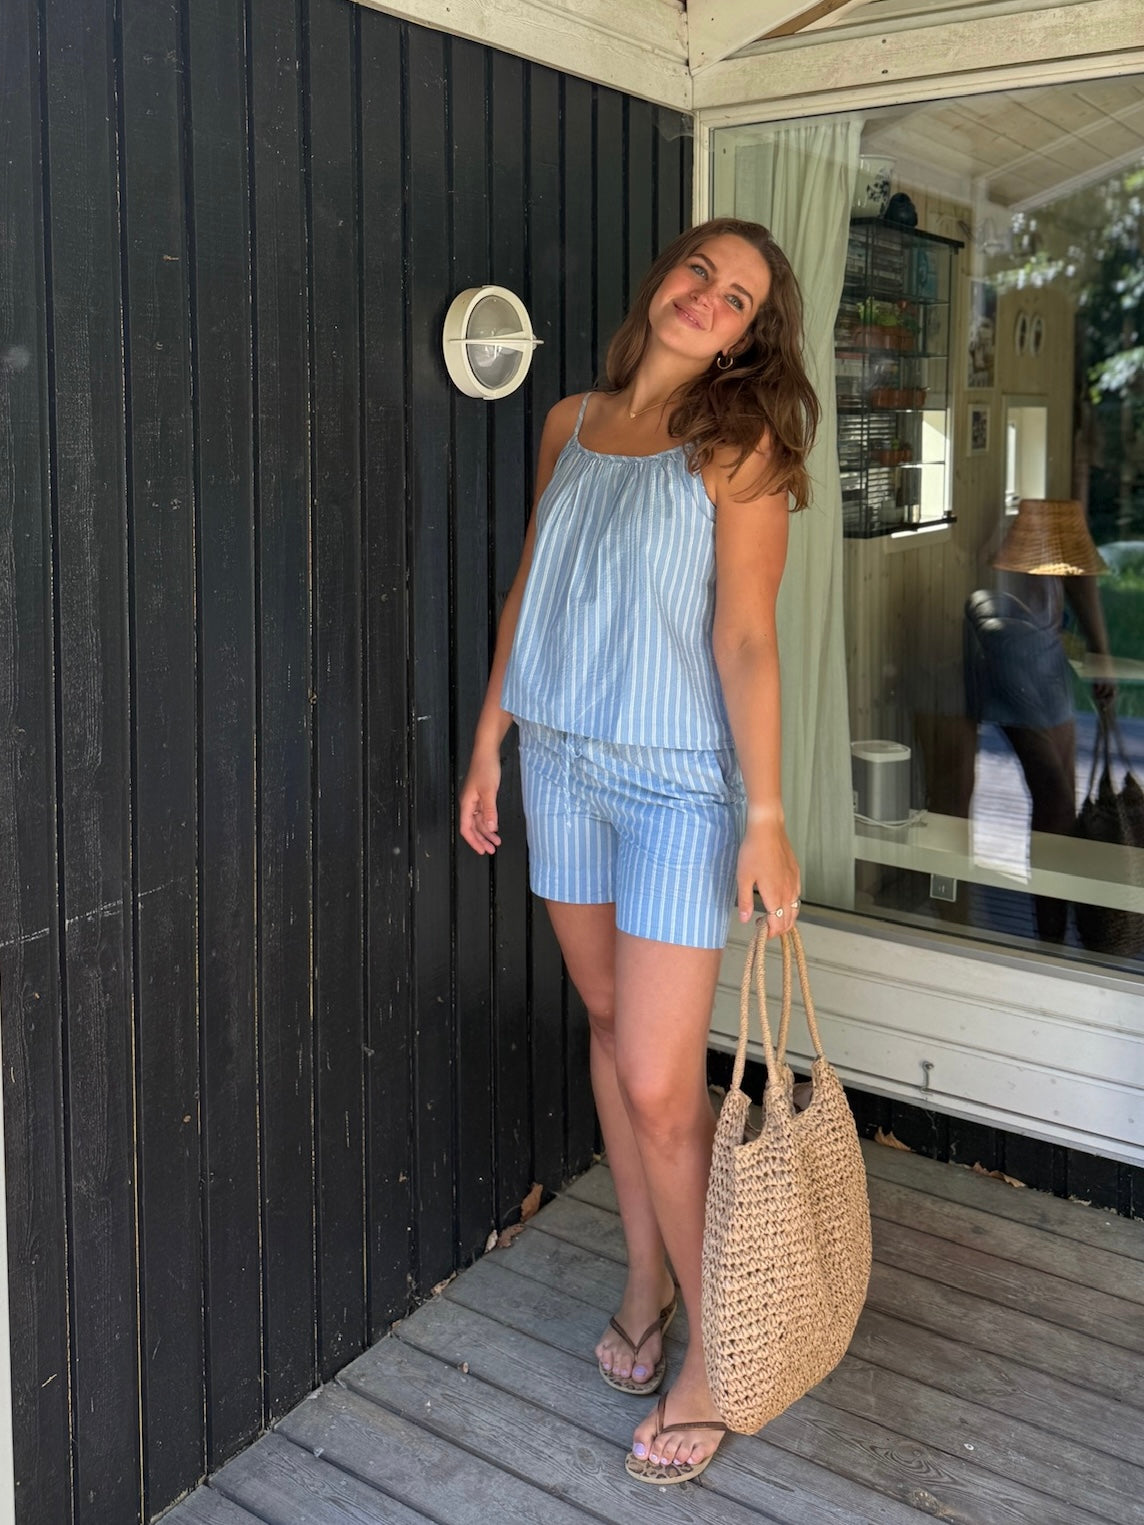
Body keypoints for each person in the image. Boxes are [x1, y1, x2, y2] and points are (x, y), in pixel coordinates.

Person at [458, 217, 818, 1485]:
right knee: (613, 1033)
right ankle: (645, 1279)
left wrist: (765, 816)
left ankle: (717, 1349)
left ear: (750, 336)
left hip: (676, 790)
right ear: (664, 276)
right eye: (698, 272)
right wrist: (489, 741)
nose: (707, 299)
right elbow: (530, 590)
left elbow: (747, 638)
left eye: (738, 299)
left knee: (664, 1081)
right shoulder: (569, 422)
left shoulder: (740, 444)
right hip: (560, 766)